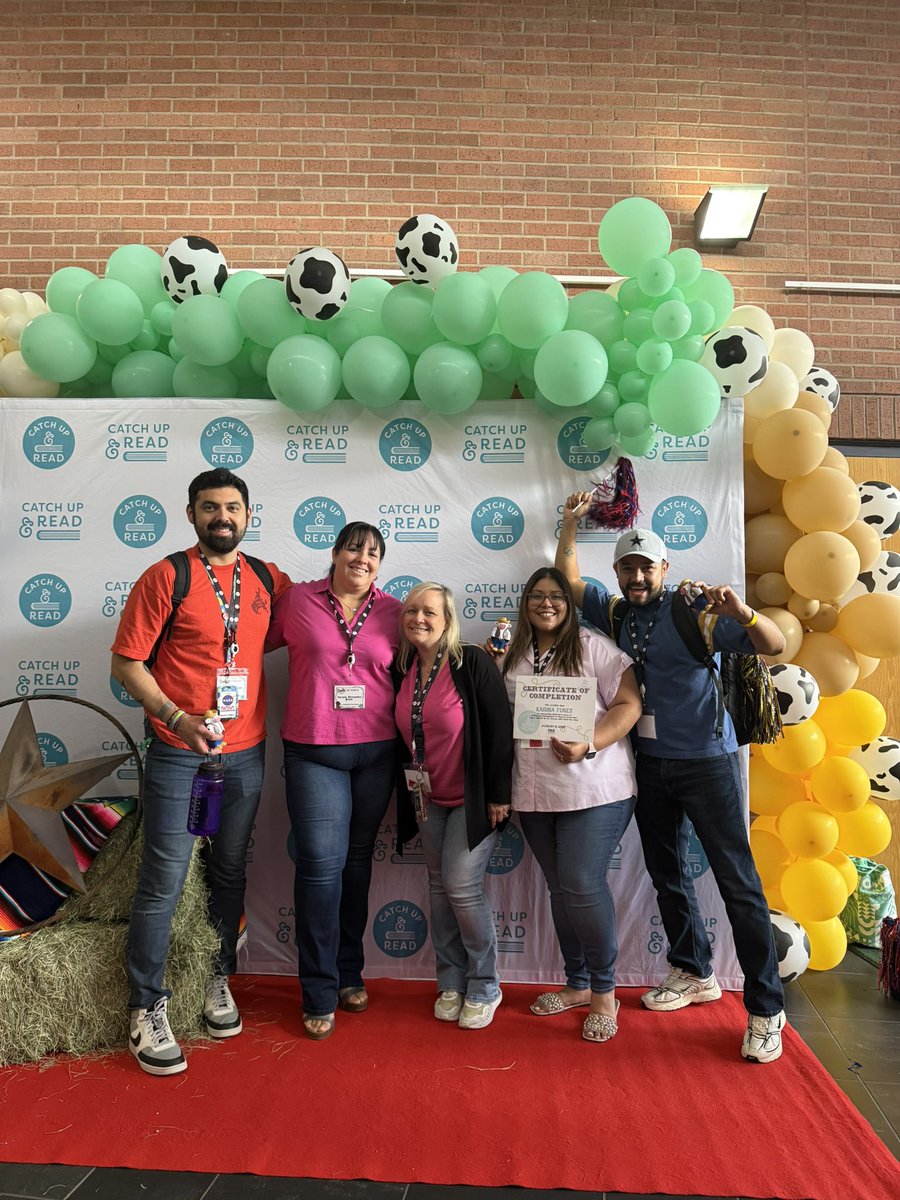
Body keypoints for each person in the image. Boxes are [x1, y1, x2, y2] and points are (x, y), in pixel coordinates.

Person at [555, 493, 790, 1063]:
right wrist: (567, 525)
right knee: (667, 875)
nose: (636, 575)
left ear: (665, 569)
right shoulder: (614, 612)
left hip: (708, 763)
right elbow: (567, 579)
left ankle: (766, 1009)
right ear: (617, 573)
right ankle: (692, 971)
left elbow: (776, 645)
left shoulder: (699, 612)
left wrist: (746, 614)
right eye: (627, 567)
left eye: (646, 566)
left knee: (738, 884)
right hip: (651, 766)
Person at [111, 467, 291, 1077]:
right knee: (163, 879)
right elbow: (128, 662)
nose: (223, 517)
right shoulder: (168, 576)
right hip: (179, 753)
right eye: (210, 507)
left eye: (233, 507)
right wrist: (175, 716)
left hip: (244, 753)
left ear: (248, 514)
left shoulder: (267, 579)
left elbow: (325, 618)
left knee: (230, 870)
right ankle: (146, 1007)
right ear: (191, 514)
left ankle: (217, 978)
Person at [265, 522, 401, 1040]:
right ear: (336, 552)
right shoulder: (298, 600)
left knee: (358, 863)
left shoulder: (393, 611)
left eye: (372, 553)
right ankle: (318, 987)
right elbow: (247, 640)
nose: (362, 558)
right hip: (315, 750)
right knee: (321, 867)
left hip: (377, 753)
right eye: (353, 548)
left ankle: (349, 972)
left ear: (379, 564)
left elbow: (426, 661)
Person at [495, 567, 641, 1043]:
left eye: (556, 596)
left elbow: (628, 705)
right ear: (525, 603)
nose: (546, 604)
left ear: (569, 603)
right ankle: (577, 983)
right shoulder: (512, 652)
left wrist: (590, 743)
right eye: (536, 595)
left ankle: (604, 990)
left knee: (580, 883)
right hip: (535, 793)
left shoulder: (594, 646)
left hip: (595, 788)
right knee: (561, 890)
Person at [394, 583, 514, 1030]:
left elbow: (500, 728)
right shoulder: (403, 666)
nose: (418, 619)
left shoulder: (472, 662)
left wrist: (500, 794)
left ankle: (485, 985)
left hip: (474, 798)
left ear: (447, 621)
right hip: (426, 798)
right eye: (411, 611)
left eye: (429, 612)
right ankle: (451, 981)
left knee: (461, 887)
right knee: (439, 887)